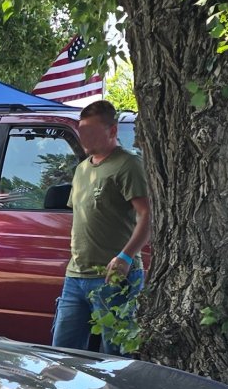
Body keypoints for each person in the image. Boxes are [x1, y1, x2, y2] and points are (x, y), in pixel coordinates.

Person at [50, 100, 153, 354]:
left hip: (113, 278)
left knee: (116, 357)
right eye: (83, 131)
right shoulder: (82, 169)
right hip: (75, 277)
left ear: (113, 131)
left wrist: (126, 256)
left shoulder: (128, 165)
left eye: (92, 132)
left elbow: (149, 215)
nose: (86, 139)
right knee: (62, 354)